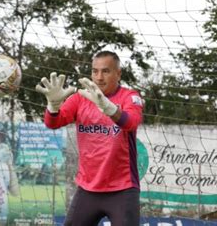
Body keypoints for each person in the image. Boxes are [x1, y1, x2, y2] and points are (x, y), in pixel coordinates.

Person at [35, 51, 144, 226]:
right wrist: (53, 106)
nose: (99, 77)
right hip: (88, 189)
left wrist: (109, 109)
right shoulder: (81, 98)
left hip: (122, 189)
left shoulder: (130, 97)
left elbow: (131, 122)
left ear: (118, 73)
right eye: (95, 71)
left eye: (106, 71)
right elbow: (53, 123)